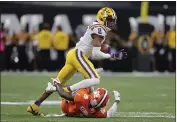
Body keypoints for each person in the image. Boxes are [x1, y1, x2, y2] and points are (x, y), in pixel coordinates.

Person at [27, 7, 127, 116]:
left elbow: (94, 52)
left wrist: (111, 55)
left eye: (112, 20)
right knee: (95, 79)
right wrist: (110, 53)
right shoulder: (99, 29)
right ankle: (65, 89)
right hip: (79, 55)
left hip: (74, 55)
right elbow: (96, 51)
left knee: (58, 82)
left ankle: (35, 104)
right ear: (102, 18)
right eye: (109, 19)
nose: (111, 22)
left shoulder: (98, 27)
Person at [45, 79, 120, 118]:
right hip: (73, 112)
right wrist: (117, 101)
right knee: (88, 86)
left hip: (66, 106)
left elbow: (63, 94)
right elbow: (110, 114)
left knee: (79, 88)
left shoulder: (82, 97)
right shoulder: (98, 112)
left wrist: (56, 85)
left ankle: (54, 87)